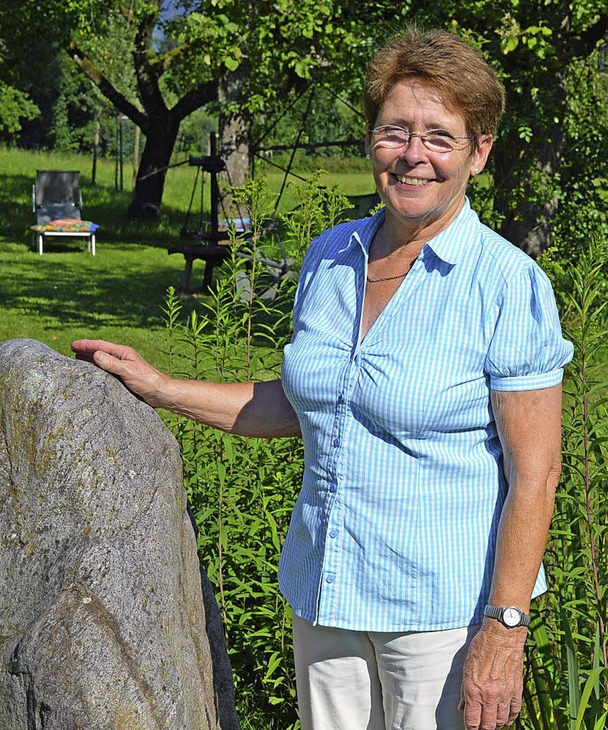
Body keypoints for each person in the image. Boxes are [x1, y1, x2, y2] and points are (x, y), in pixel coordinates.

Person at [72, 26, 573, 730]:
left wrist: (505, 627)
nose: (412, 156)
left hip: (442, 619)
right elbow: (309, 404)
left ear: (479, 152)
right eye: (395, 131)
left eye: (439, 136)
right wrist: (161, 387)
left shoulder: (505, 284)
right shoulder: (331, 257)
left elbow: (536, 472)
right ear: (371, 141)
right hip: (326, 593)